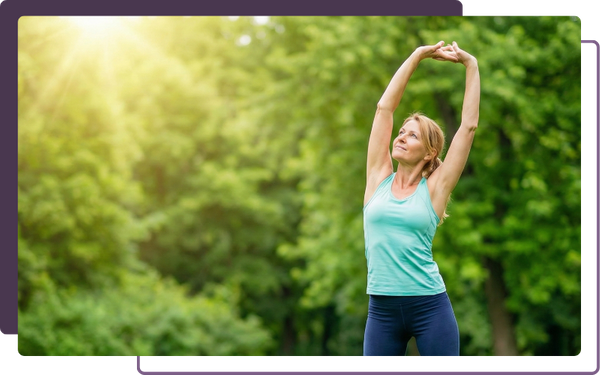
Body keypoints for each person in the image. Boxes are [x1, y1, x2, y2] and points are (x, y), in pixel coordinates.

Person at [362, 41, 480, 358]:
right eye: (402, 131)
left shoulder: (435, 189)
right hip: (381, 311)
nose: (401, 137)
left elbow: (468, 128)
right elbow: (384, 109)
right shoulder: (377, 178)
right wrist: (416, 56)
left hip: (429, 306)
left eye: (412, 135)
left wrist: (472, 66)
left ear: (429, 153)